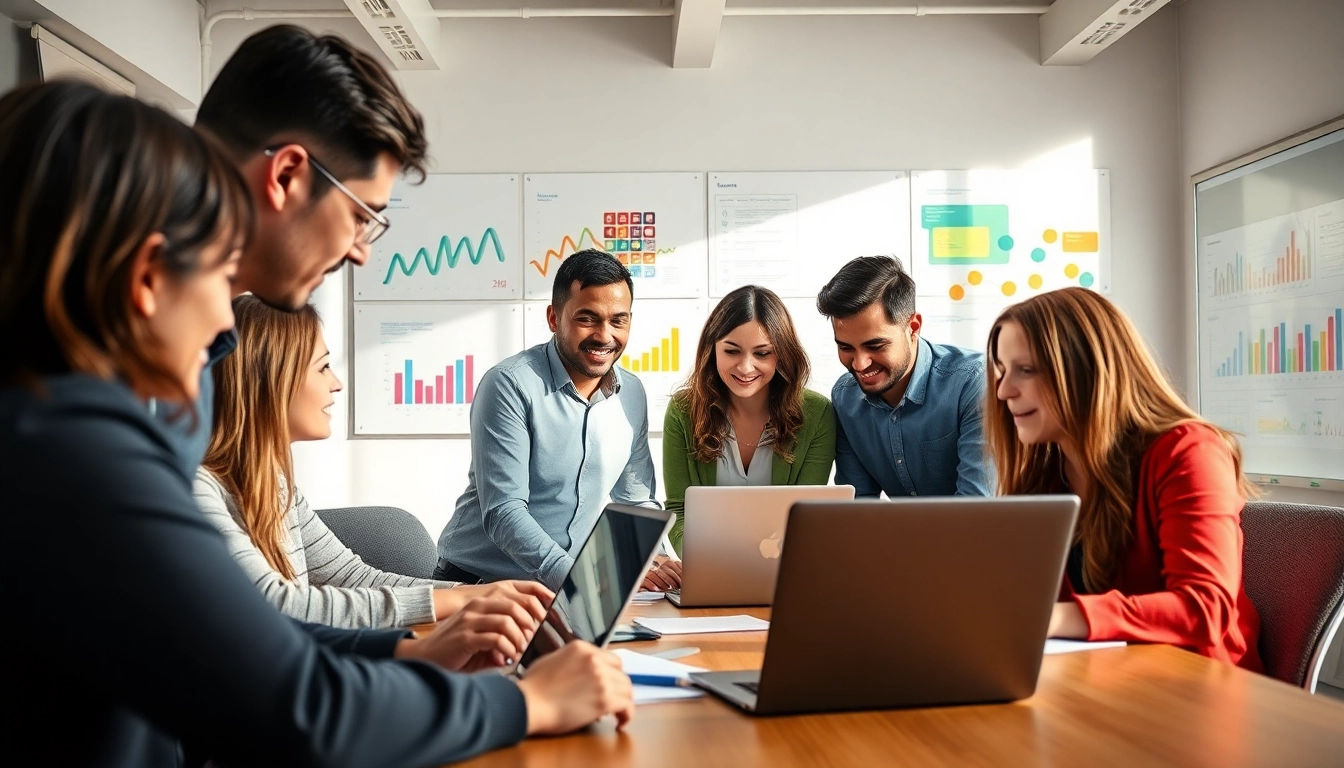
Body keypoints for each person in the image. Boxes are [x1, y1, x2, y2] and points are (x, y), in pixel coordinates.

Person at [0, 80, 632, 766]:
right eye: (217, 278)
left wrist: (407, 648)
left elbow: (250, 644)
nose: (223, 329)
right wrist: (529, 702)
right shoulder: (79, 461)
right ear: (147, 278)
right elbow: (297, 706)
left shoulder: (51, 432)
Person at [155, 24, 430, 474]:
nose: (360, 252)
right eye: (361, 217)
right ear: (286, 177)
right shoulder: (109, 349)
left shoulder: (204, 353)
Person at [198, 296, 547, 628]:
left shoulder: (275, 484)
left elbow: (355, 579)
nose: (335, 384)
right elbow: (277, 605)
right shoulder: (199, 491)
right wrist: (464, 602)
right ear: (271, 381)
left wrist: (475, 593)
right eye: (322, 368)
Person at [986, 287, 1262, 669]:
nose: (1003, 391)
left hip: (1198, 685)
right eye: (1002, 370)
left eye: (1026, 370)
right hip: (1101, 680)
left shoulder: (1188, 451)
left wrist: (1055, 619)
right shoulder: (1047, 476)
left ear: (1087, 369)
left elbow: (1204, 608)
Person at [435, 249, 660, 590]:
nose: (604, 335)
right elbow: (504, 511)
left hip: (570, 584)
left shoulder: (632, 393)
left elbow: (636, 499)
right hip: (480, 584)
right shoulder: (509, 384)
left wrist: (657, 558)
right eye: (587, 318)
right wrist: (578, 579)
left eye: (618, 320)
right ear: (554, 319)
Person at [655, 285, 836, 587]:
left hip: (787, 579)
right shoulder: (683, 410)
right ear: (712, 349)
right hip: (710, 575)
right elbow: (679, 509)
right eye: (732, 351)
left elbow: (806, 519)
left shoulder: (816, 414)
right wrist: (710, 567)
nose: (745, 366)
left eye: (762, 353)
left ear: (782, 354)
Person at [816, 255, 993, 498]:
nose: (859, 364)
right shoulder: (845, 397)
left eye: (876, 346)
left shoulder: (973, 382)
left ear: (913, 327)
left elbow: (977, 508)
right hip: (901, 535)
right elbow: (858, 508)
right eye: (846, 348)